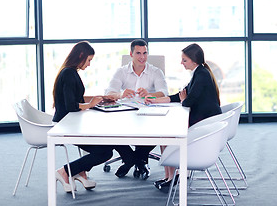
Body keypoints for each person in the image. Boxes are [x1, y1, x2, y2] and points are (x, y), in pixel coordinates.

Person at [145, 43, 222, 192]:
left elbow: (187, 101)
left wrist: (183, 99)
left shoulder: (202, 75)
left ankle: (171, 177)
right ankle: (169, 177)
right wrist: (155, 100)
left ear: (194, 60)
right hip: (203, 121)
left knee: (167, 136)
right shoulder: (199, 72)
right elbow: (180, 95)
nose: (181, 63)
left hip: (205, 127)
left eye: (184, 60)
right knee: (164, 136)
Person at [53, 41, 114, 192]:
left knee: (105, 146)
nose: (89, 64)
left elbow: (77, 99)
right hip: (66, 125)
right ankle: (65, 171)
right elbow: (71, 106)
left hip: (71, 122)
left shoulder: (70, 72)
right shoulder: (68, 73)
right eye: (89, 60)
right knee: (105, 151)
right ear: (81, 55)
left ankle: (80, 171)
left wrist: (100, 98)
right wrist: (91, 104)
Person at [105, 39, 168, 180]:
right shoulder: (121, 72)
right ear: (131, 54)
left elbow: (164, 92)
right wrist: (121, 94)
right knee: (111, 132)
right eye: (138, 53)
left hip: (148, 114)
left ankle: (130, 162)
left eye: (145, 53)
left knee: (159, 132)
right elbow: (109, 93)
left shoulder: (155, 71)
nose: (142, 57)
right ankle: (136, 160)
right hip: (125, 114)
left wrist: (150, 94)